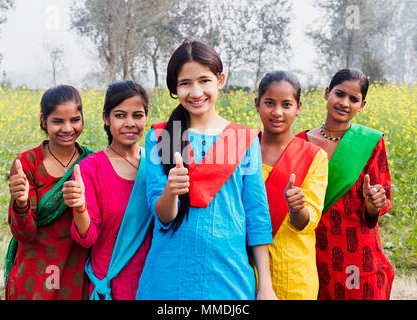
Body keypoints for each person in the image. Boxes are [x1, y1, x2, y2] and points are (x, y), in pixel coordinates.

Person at [136, 39, 276, 300]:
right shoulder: (161, 136)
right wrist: (171, 190)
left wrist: (265, 285)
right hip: (169, 276)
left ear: (220, 79)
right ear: (175, 88)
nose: (196, 91)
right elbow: (163, 216)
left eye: (204, 80)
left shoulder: (244, 139)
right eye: (185, 83)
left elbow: (256, 215)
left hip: (228, 276)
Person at [296, 69, 394, 300]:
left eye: (354, 99)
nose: (345, 103)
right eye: (339, 94)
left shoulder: (370, 143)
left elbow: (379, 201)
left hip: (357, 252)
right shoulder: (300, 143)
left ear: (362, 105)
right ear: (327, 93)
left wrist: (374, 204)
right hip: (312, 250)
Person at [62, 80, 153, 300]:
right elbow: (88, 237)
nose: (129, 123)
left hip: (153, 283)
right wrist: (80, 207)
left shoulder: (156, 163)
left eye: (137, 115)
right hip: (111, 286)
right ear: (106, 118)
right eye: (120, 115)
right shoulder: (90, 168)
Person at [5, 85, 93, 300]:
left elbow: (95, 227)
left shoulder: (91, 163)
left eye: (74, 120)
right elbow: (24, 234)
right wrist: (21, 202)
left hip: (76, 270)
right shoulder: (27, 163)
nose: (67, 128)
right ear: (43, 120)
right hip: (34, 273)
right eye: (57, 121)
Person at [255, 71, 328, 299]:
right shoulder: (243, 151)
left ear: (298, 107)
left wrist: (298, 208)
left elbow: (306, 222)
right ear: (257, 104)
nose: (277, 112)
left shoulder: (314, 157)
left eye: (286, 104)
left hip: (293, 274)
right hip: (247, 271)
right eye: (269, 103)